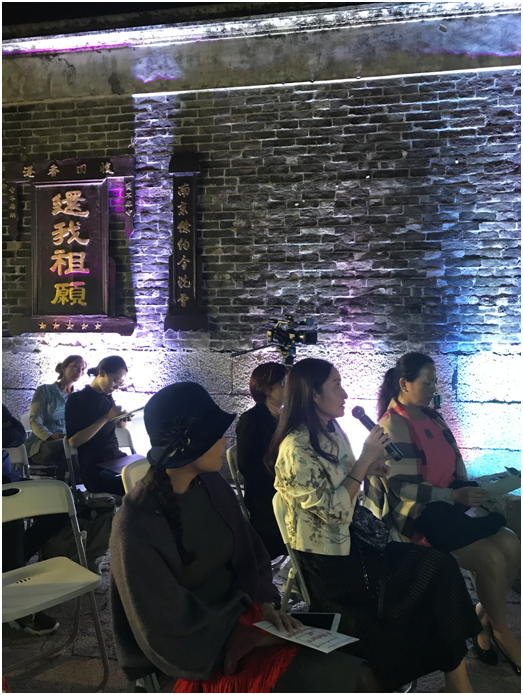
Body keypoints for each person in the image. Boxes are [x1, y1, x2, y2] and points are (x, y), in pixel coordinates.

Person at [109, 382, 378, 693]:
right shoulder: (137, 524)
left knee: (364, 660)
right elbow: (164, 629)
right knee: (354, 679)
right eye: (216, 435)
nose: (225, 442)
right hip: (196, 657)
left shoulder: (210, 485)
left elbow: (251, 552)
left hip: (241, 622)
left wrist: (265, 605)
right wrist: (253, 636)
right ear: (190, 443)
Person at [267, 357, 482, 693]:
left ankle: (458, 679)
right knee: (430, 579)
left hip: (358, 542)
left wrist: (370, 468)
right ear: (313, 394)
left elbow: (344, 478)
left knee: (441, 566)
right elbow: (334, 512)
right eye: (337, 385)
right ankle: (456, 677)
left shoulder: (331, 430)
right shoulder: (296, 447)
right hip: (330, 562)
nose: (345, 393)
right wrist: (365, 460)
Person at [365, 352, 521, 676]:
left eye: (435, 382)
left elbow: (451, 469)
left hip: (449, 512)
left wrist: (471, 490)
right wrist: (452, 495)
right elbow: (403, 488)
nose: (433, 388)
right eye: (427, 382)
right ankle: (502, 633)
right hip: (418, 522)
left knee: (510, 543)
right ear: (404, 384)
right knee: (491, 558)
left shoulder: (433, 417)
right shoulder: (393, 425)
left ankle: (483, 623)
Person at [2, 405, 60, 636]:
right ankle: (19, 606)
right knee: (11, 518)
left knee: (58, 504)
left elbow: (17, 434)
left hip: (8, 479)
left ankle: (12, 566)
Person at [236, 362, 287, 559]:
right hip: (266, 498)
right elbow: (247, 465)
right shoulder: (252, 419)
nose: (289, 388)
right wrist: (281, 477)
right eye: (283, 383)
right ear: (267, 389)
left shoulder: (282, 416)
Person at [65, 356, 129, 496]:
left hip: (114, 457)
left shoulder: (107, 396)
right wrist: (105, 418)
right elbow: (74, 441)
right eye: (115, 381)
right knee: (136, 485)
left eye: (120, 383)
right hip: (94, 465)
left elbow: (121, 426)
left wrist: (121, 418)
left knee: (151, 475)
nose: (117, 387)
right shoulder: (77, 399)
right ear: (101, 373)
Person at [26, 355, 87, 477]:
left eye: (83, 369)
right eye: (75, 366)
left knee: (86, 447)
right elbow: (35, 420)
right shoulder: (44, 390)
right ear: (64, 368)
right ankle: (80, 482)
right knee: (66, 448)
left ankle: (73, 481)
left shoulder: (78, 396)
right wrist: (50, 436)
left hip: (68, 440)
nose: (79, 371)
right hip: (42, 442)